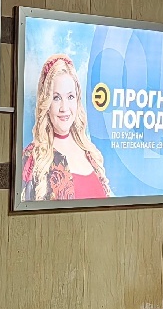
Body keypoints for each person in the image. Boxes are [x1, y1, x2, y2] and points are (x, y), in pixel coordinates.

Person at [21, 53, 112, 201]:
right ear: (47, 103)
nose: (64, 108)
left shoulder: (92, 154)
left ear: (77, 100)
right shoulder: (33, 157)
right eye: (56, 98)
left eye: (70, 97)